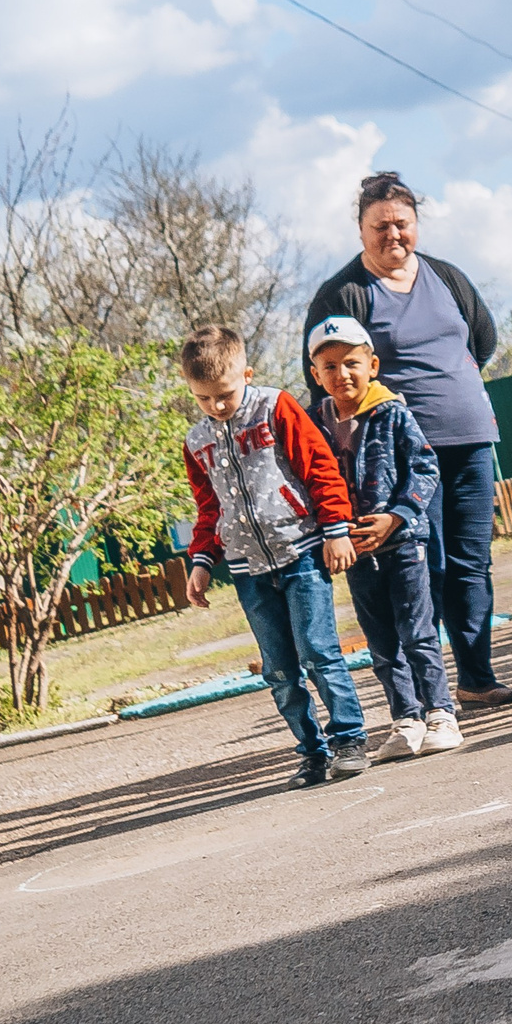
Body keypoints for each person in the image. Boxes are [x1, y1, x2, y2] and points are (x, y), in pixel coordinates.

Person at [302, 173, 512, 710]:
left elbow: (483, 340)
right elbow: (324, 377)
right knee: (425, 564)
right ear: (360, 231)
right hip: (397, 455)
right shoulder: (343, 293)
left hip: (469, 438)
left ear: (416, 224)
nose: (393, 235)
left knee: (472, 561)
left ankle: (476, 675)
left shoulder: (447, 277)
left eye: (402, 224)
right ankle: (426, 693)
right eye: (380, 227)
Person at [179, 322, 368, 784]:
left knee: (318, 652)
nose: (216, 406)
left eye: (224, 394)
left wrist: (336, 530)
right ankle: (312, 752)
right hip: (248, 569)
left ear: (247, 373)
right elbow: (209, 508)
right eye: (203, 398)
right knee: (280, 669)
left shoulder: (274, 406)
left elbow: (319, 468)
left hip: (301, 551)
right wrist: (201, 562)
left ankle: (350, 738)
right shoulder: (197, 440)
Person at [304, 315, 459, 757]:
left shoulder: (391, 411)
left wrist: (398, 516)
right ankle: (405, 718)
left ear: (372, 364)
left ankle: (440, 713)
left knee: (417, 630)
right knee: (380, 640)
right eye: (329, 367)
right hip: (353, 550)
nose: (341, 374)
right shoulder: (314, 424)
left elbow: (425, 467)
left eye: (351, 363)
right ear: (316, 375)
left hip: (402, 542)